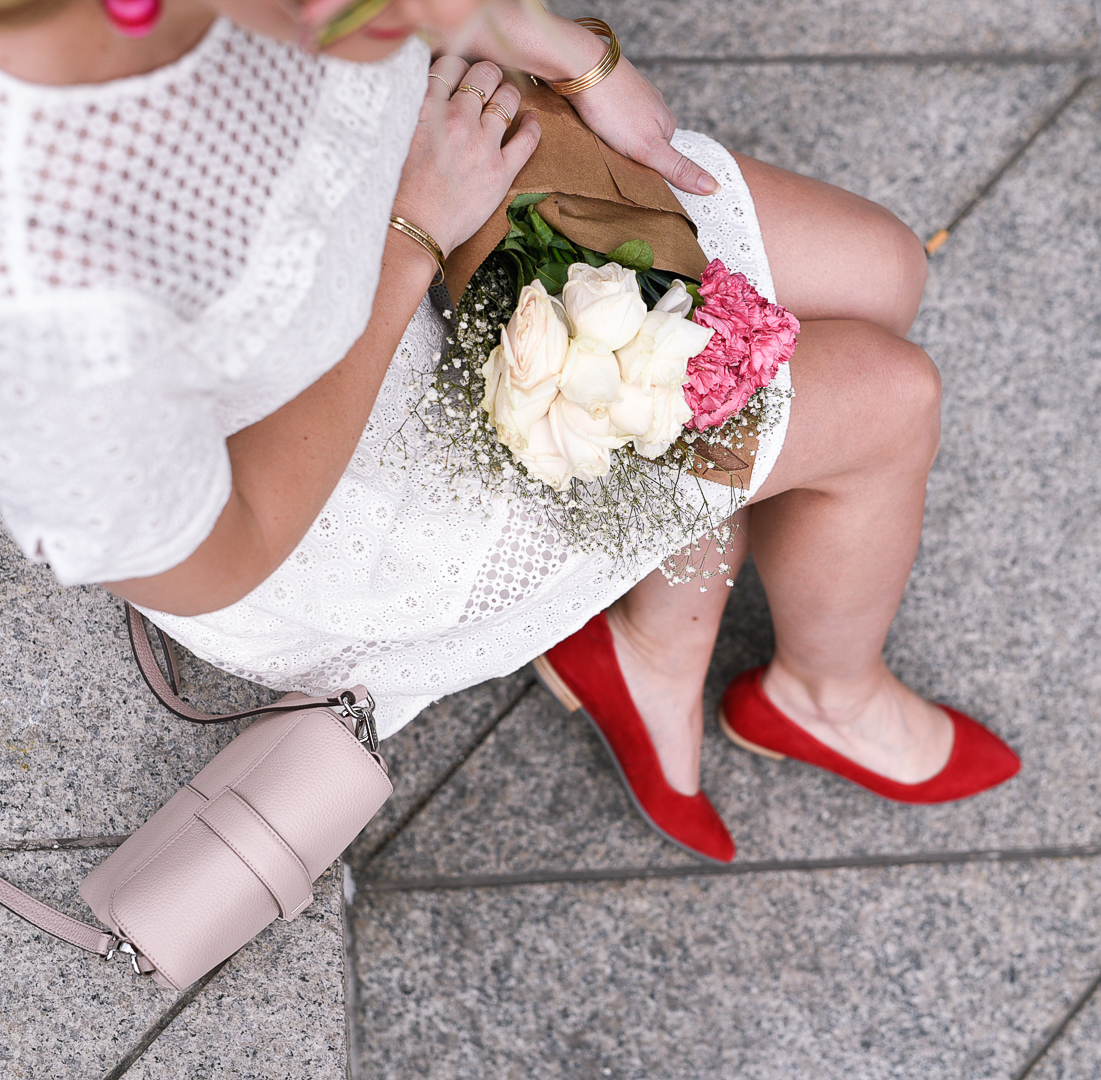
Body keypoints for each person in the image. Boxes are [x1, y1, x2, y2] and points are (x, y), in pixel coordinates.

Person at [0, 0, 1018, 865]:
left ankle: (657, 632)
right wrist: (411, 233)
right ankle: (823, 694)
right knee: (893, 398)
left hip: (436, 167)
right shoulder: (40, 300)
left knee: (887, 269)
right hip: (325, 478)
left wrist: (560, 49)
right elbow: (218, 555)